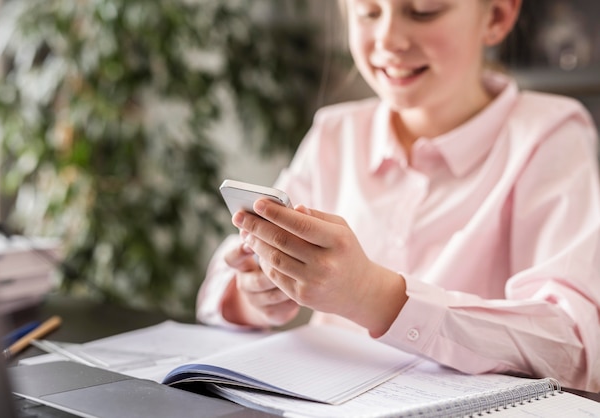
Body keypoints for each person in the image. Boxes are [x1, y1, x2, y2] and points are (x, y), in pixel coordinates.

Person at [197, 0, 600, 392]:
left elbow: (574, 348)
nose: (388, 39)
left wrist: (374, 296)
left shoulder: (550, 135)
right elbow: (220, 286)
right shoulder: (336, 133)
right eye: (369, 12)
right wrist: (258, 295)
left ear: (496, 15)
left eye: (423, 11)